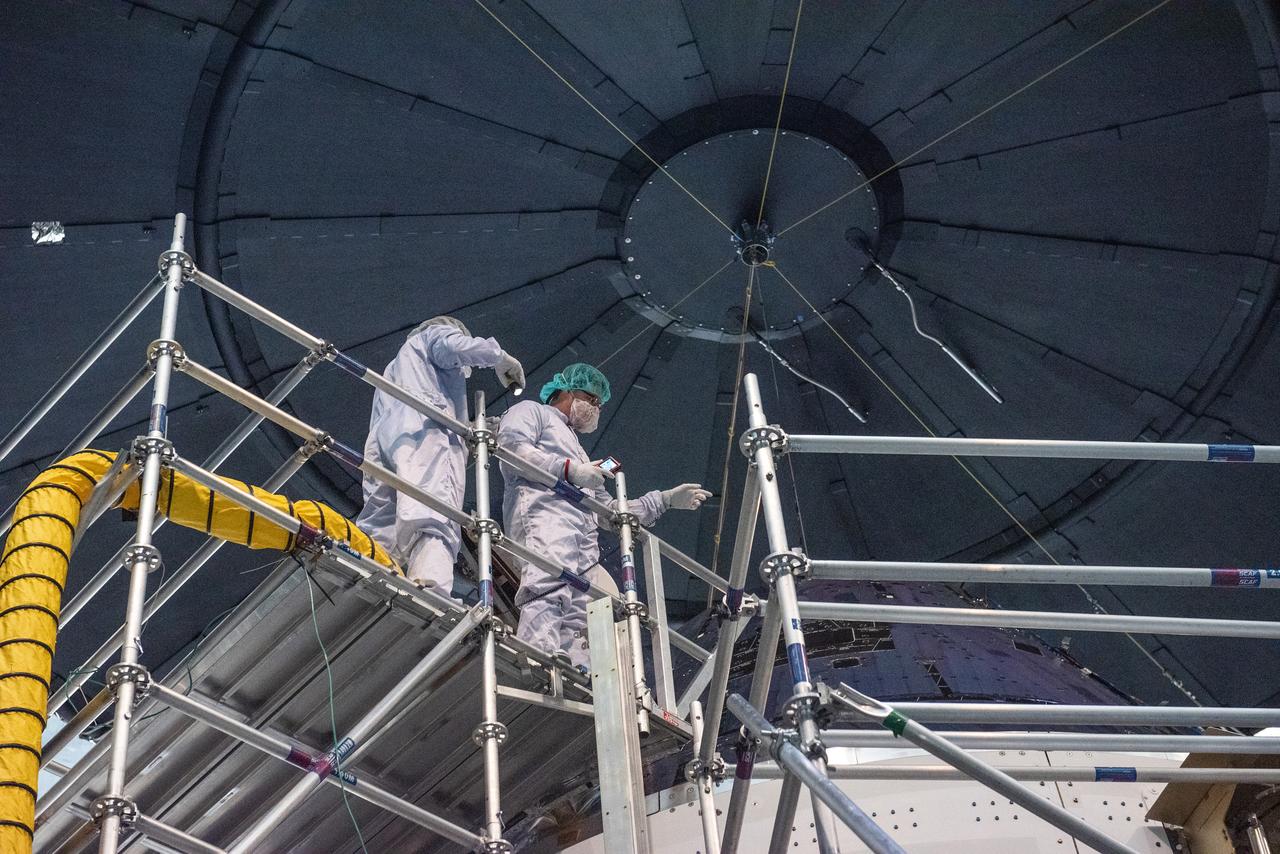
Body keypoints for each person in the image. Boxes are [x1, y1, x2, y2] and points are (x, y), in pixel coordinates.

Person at [498, 362, 711, 667]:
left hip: (580, 535)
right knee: (548, 585)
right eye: (591, 399)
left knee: (577, 605)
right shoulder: (532, 411)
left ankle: (570, 665)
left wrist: (663, 500)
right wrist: (570, 471)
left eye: (598, 404)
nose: (595, 408)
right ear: (567, 390)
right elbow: (512, 450)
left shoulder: (580, 453)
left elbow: (610, 513)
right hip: (542, 515)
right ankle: (535, 653)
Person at [357, 316, 525, 597]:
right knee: (435, 515)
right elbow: (454, 347)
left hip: (388, 441)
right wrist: (499, 357)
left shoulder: (396, 366)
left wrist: (472, 430)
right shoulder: (437, 335)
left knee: (383, 517)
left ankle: (371, 571)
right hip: (426, 435)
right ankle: (430, 589)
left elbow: (419, 403)